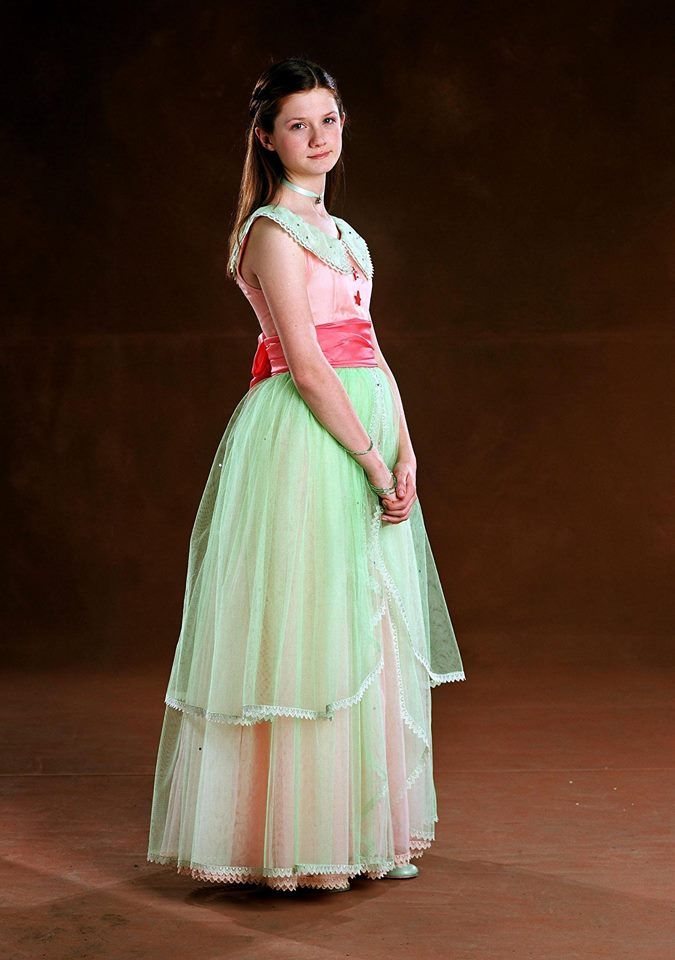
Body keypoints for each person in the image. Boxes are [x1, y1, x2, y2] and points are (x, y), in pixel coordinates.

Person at [146, 56, 465, 894]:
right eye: (298, 124)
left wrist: (405, 446)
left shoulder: (345, 235)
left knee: (368, 624)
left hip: (365, 426)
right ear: (266, 136)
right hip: (307, 436)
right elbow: (310, 360)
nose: (318, 138)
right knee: (308, 625)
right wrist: (366, 456)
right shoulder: (268, 230)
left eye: (328, 120)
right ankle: (290, 839)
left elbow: (370, 346)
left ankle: (366, 829)